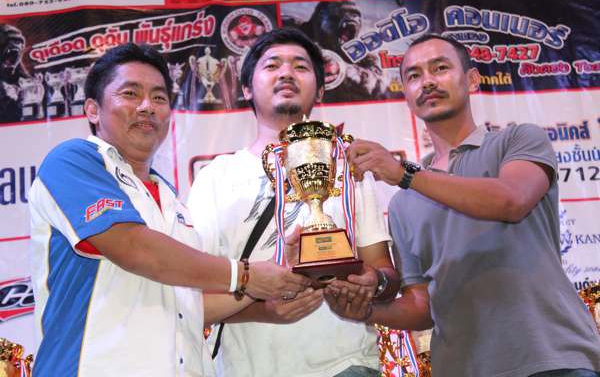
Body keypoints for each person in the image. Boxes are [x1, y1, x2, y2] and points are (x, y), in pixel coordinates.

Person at [28, 43, 310, 377]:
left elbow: (186, 303)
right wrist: (246, 275)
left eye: (159, 98)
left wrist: (269, 286)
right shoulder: (75, 161)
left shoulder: (171, 200)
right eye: (130, 93)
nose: (147, 106)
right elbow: (135, 248)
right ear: (92, 109)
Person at [334, 33, 600, 376]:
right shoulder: (402, 203)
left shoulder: (517, 140)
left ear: (472, 79)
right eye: (414, 75)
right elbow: (422, 306)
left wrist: (404, 174)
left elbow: (511, 200)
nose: (427, 81)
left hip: (552, 358)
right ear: (406, 96)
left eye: (440, 68)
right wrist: (366, 311)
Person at [187, 27, 400, 377]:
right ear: (246, 88)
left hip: (346, 366)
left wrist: (371, 284)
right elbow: (194, 301)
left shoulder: (348, 167)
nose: (286, 72)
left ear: (320, 88)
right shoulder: (215, 177)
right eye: (272, 65)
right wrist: (262, 310)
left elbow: (386, 275)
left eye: (300, 66)